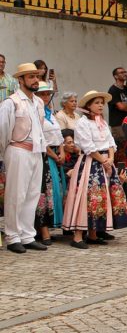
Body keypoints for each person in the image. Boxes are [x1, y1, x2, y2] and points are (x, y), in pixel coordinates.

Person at [63, 90, 127, 249]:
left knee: (102, 197)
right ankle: (78, 235)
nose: (100, 106)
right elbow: (88, 146)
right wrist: (103, 160)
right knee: (87, 197)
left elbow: (110, 142)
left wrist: (111, 159)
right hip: (91, 163)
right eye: (97, 103)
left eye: (102, 103)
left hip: (105, 161)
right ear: (88, 106)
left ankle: (93, 234)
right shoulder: (83, 123)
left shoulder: (102, 122)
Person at [1, 63, 49, 253]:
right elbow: (3, 130)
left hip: (35, 151)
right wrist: (6, 151)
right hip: (18, 149)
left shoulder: (38, 102)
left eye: (36, 76)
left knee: (32, 194)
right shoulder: (11, 102)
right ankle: (12, 236)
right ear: (20, 80)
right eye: (30, 77)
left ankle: (27, 235)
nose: (35, 80)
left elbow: (41, 127)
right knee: (16, 195)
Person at [35, 83, 66, 244]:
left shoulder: (50, 114)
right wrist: (55, 155)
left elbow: (59, 135)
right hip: (45, 156)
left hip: (56, 154)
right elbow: (39, 138)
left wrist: (62, 152)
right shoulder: (36, 114)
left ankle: (54, 224)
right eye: (42, 94)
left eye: (48, 94)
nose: (46, 97)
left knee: (57, 191)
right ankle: (42, 229)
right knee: (45, 193)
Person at [106, 67, 127, 145]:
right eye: (121, 72)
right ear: (115, 76)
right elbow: (121, 107)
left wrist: (126, 106)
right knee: (121, 147)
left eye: (125, 72)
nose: (125, 74)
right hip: (118, 124)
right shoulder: (113, 90)